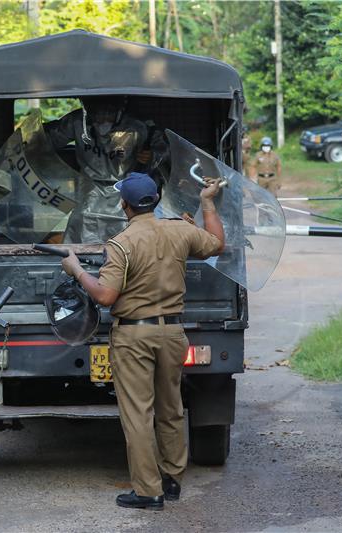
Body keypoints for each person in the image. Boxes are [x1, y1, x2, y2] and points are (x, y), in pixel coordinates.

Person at [60, 172, 225, 510]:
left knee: (138, 414)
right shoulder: (179, 230)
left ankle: (148, 491)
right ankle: (173, 480)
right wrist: (207, 202)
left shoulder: (122, 243)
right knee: (171, 408)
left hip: (134, 334)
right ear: (154, 199)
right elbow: (216, 243)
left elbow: (105, 295)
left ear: (125, 205)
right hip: (172, 332)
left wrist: (76, 270)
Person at [45, 95, 165, 243]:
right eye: (97, 114)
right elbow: (50, 137)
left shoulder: (137, 126)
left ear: (120, 111)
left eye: (108, 114)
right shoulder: (78, 122)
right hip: (90, 185)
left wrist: (152, 155)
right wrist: (32, 142)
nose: (102, 120)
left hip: (124, 184)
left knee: (125, 227)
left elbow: (163, 150)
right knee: (82, 220)